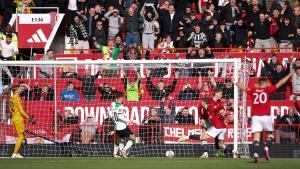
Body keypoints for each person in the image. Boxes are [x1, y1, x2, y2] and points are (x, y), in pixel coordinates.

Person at [235, 71, 294, 163]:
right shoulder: (267, 90)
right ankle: (266, 148)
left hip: (256, 117)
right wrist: (289, 75)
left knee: (256, 136)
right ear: (264, 83)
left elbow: (243, 88)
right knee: (270, 135)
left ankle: (255, 153)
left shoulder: (253, 90)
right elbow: (281, 83)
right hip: (266, 116)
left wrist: (236, 83)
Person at [179, 89, 227, 158]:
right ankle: (205, 153)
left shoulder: (219, 102)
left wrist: (224, 111)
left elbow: (222, 110)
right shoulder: (208, 101)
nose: (222, 96)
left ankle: (218, 152)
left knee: (216, 137)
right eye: (220, 94)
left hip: (214, 122)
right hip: (206, 120)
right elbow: (199, 107)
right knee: (203, 136)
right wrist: (201, 118)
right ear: (216, 94)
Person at [10, 85, 35, 158]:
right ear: (16, 91)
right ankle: (14, 154)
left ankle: (17, 153)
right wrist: (28, 118)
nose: (21, 90)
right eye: (19, 89)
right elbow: (21, 111)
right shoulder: (17, 98)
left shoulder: (11, 98)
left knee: (21, 136)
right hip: (18, 119)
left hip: (14, 118)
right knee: (21, 136)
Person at [109, 93, 136, 158]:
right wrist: (128, 120)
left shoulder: (112, 104)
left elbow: (110, 114)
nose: (123, 99)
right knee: (133, 137)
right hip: (122, 126)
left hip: (116, 125)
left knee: (121, 139)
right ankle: (124, 150)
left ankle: (116, 154)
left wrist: (115, 122)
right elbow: (119, 116)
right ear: (120, 98)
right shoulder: (120, 106)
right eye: (122, 98)